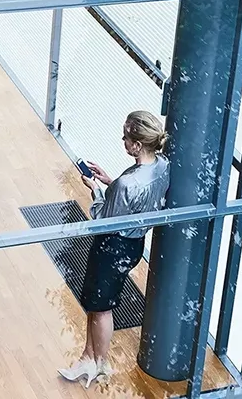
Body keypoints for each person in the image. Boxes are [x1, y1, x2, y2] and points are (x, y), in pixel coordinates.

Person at [59, 111, 170, 388]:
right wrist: (109, 181)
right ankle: (89, 357)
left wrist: (95, 189)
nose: (123, 140)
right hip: (133, 245)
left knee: (102, 307)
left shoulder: (127, 183)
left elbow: (102, 219)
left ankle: (98, 361)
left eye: (126, 137)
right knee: (97, 304)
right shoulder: (161, 167)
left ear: (137, 145)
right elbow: (139, 202)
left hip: (112, 247)